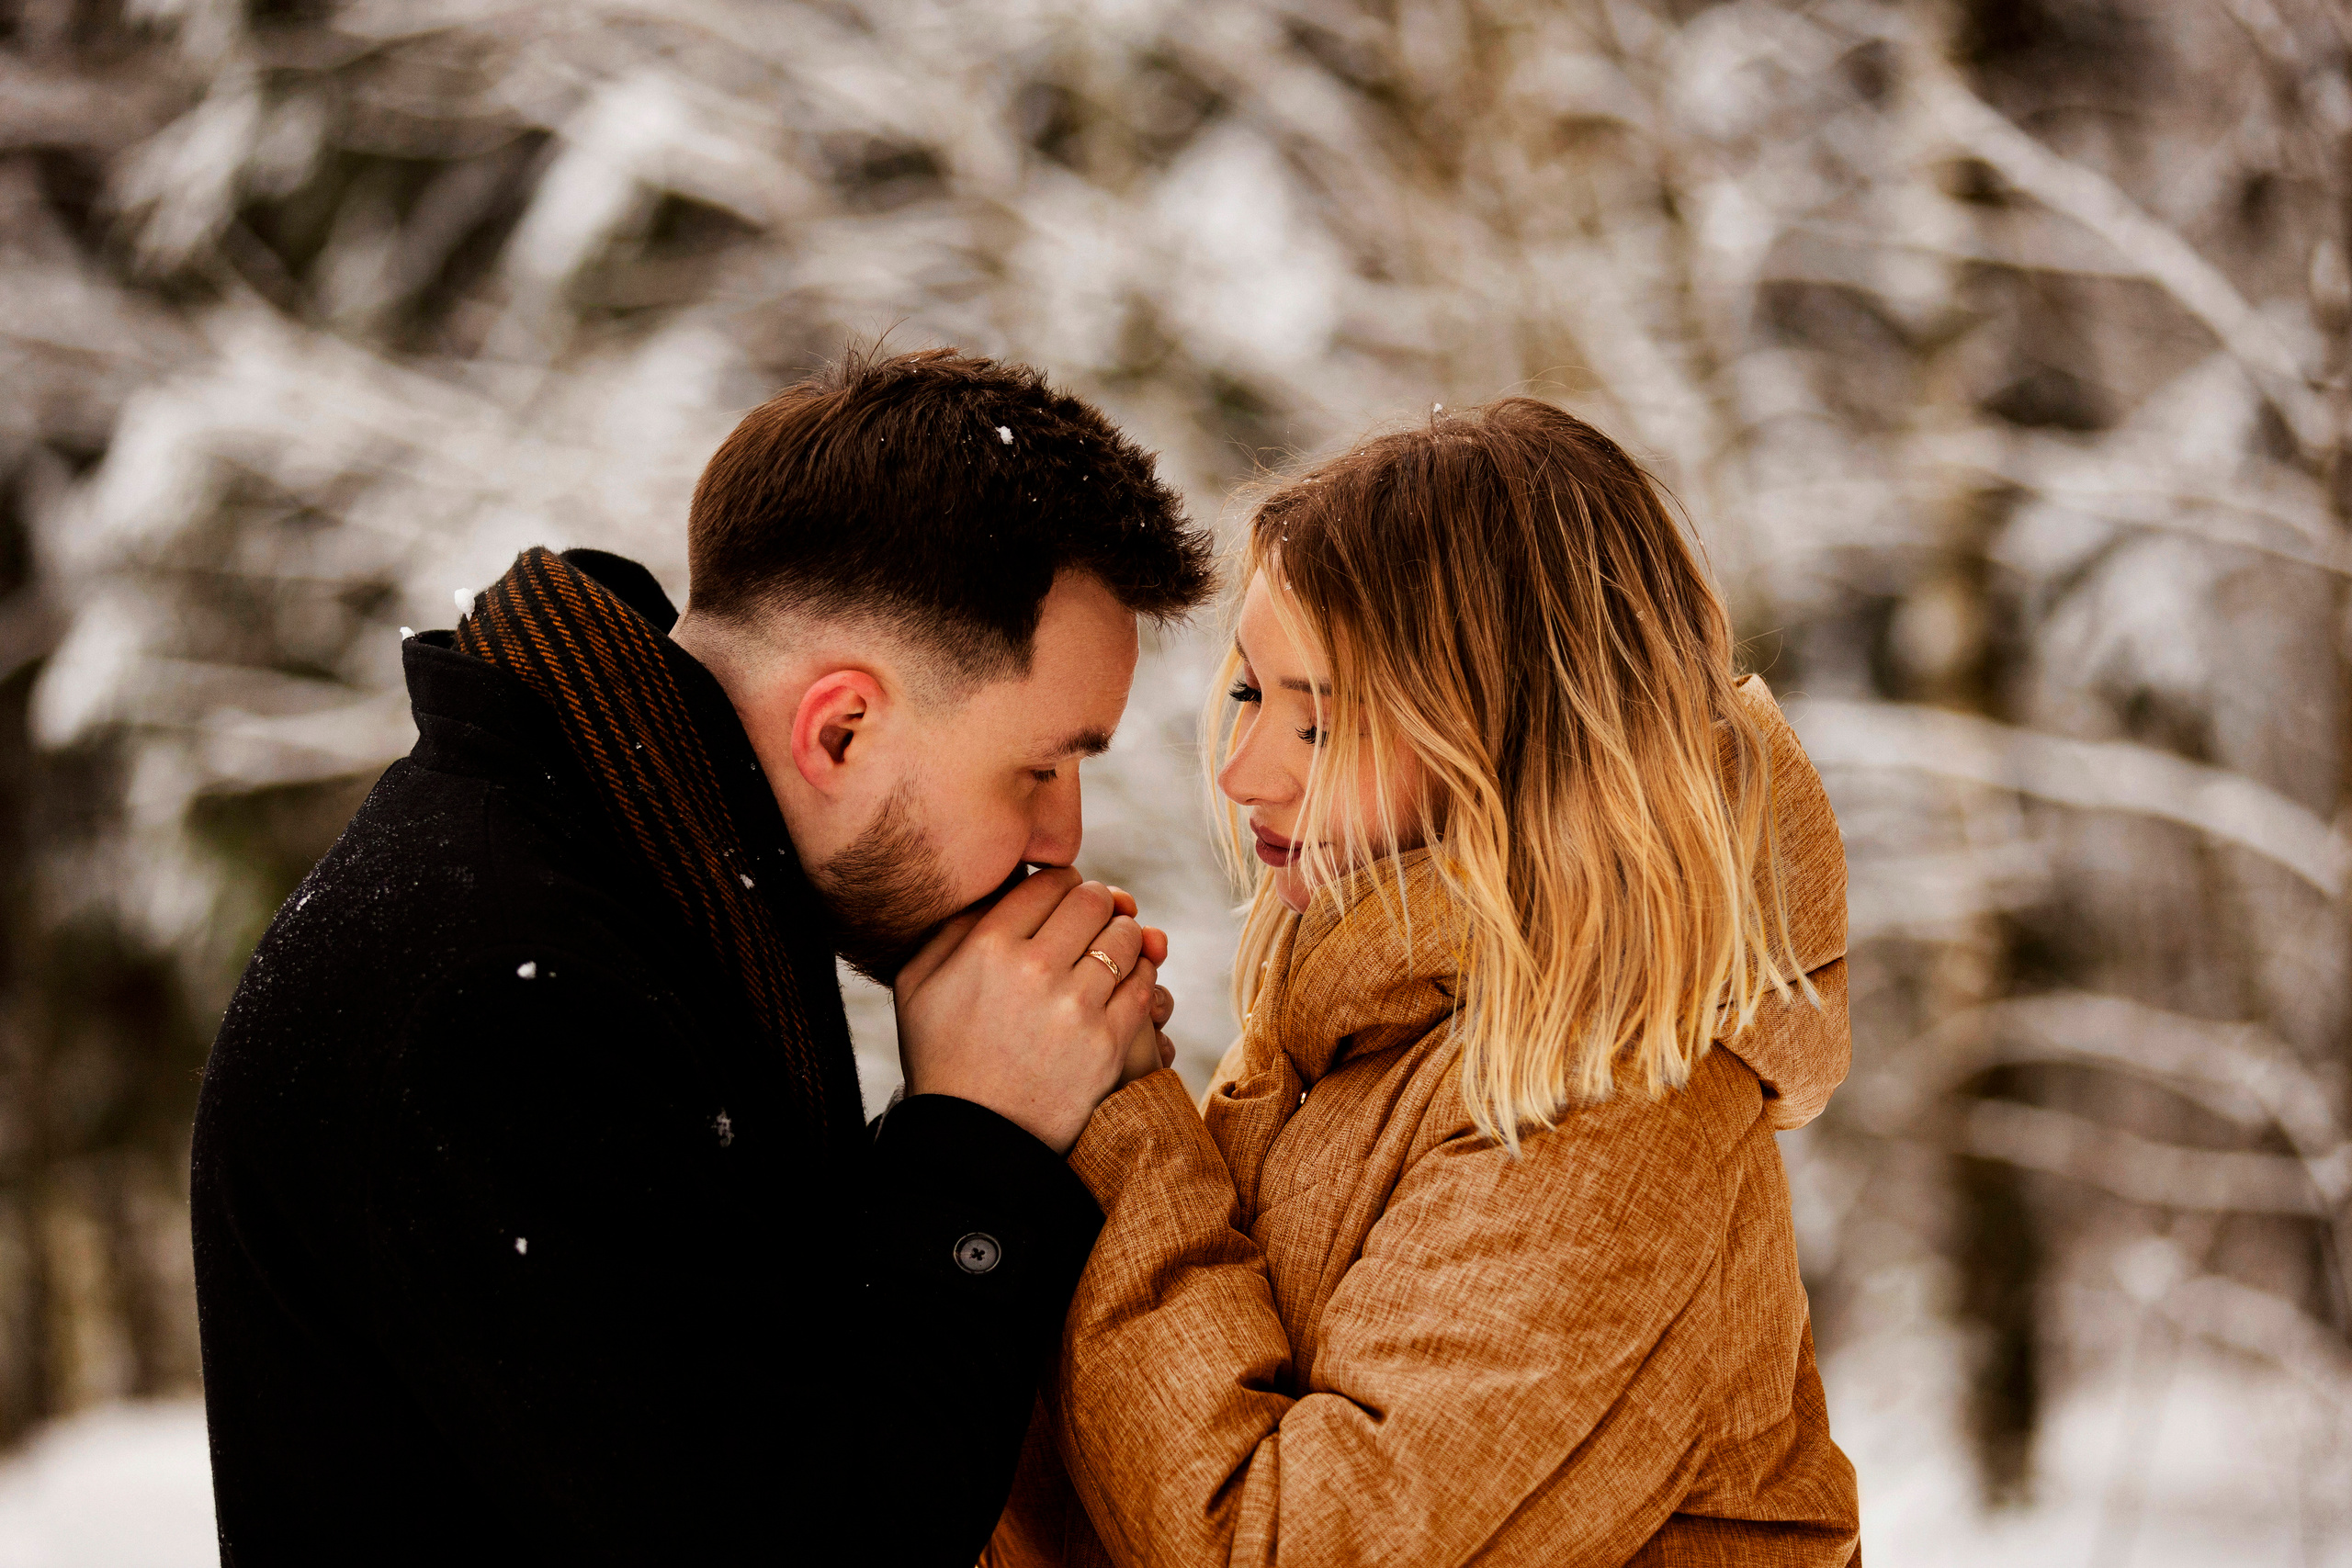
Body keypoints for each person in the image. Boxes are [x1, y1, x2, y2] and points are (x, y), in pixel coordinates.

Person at [189, 347, 1212, 1564]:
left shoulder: (631, 885)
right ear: (839, 726)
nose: (1065, 836)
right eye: (1039, 767)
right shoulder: (506, 997)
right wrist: (975, 1151)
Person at [986, 400, 1861, 1565]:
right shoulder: (1349, 1034)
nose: (1244, 773)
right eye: (1249, 695)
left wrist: (1115, 1118)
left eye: (1321, 725)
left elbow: (1291, 1547)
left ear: (1514, 739)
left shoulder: (1610, 1103)